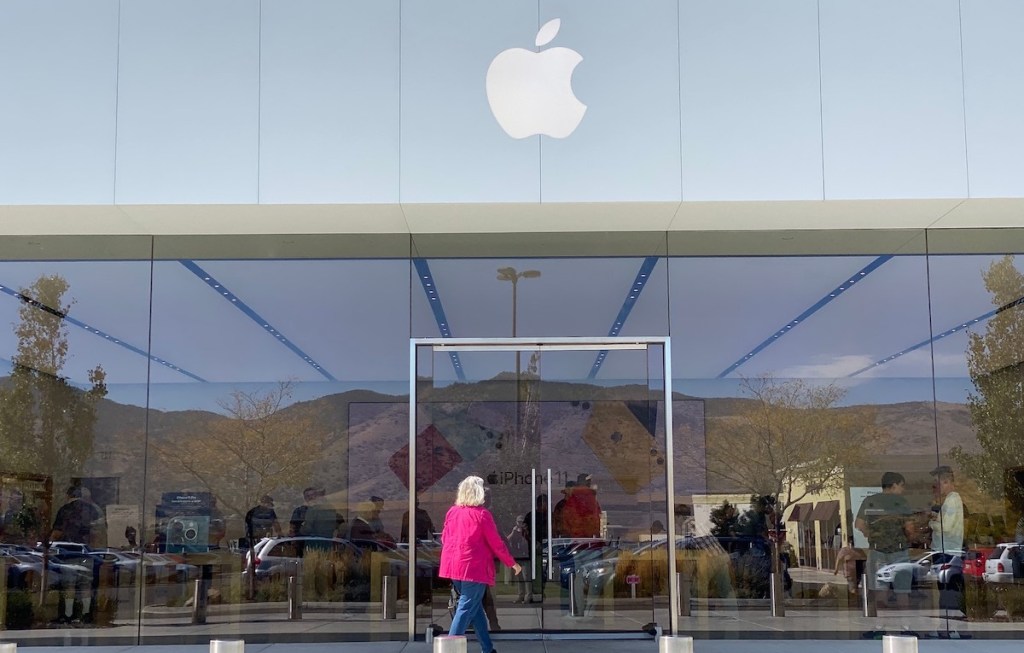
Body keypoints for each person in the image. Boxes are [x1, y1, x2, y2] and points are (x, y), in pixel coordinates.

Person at [439, 476, 520, 653]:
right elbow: (496, 543)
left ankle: (488, 649)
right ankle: (449, 650)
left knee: (475, 609)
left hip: (454, 567)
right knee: (467, 606)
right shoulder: (482, 515)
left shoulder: (453, 512)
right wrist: (512, 563)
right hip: (473, 568)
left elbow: (445, 537)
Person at [855, 471, 914, 609]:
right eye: (901, 486)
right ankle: (905, 626)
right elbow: (909, 528)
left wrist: (870, 534)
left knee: (880, 591)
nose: (903, 489)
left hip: (877, 550)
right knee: (902, 591)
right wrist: (911, 538)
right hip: (899, 551)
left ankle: (881, 626)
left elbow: (859, 524)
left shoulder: (869, 501)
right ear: (894, 485)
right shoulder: (901, 502)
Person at [50, 486, 104, 623]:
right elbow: (98, 532)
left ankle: (69, 615)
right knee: (86, 585)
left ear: (69, 495)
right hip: (88, 553)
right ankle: (86, 614)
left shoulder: (65, 510)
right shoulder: (92, 510)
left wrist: (50, 543)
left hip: (69, 553)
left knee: (69, 585)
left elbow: (57, 532)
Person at [929, 465, 964, 553]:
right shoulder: (951, 498)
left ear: (946, 482)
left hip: (946, 550)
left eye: (937, 482)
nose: (935, 485)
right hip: (946, 549)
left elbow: (945, 527)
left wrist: (931, 523)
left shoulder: (952, 499)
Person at [563, 473, 601, 538]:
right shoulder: (591, 499)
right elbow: (596, 518)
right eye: (589, 482)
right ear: (587, 483)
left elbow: (566, 520)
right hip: (589, 538)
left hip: (575, 538)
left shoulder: (572, 500)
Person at [507, 514, 531, 603]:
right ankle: (520, 595)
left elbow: (529, 540)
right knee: (519, 577)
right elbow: (507, 540)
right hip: (517, 556)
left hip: (525, 556)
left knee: (526, 576)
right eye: (519, 522)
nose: (520, 524)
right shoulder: (515, 531)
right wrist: (514, 532)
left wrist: (525, 531)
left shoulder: (527, 531)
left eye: (522, 522)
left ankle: (528, 596)